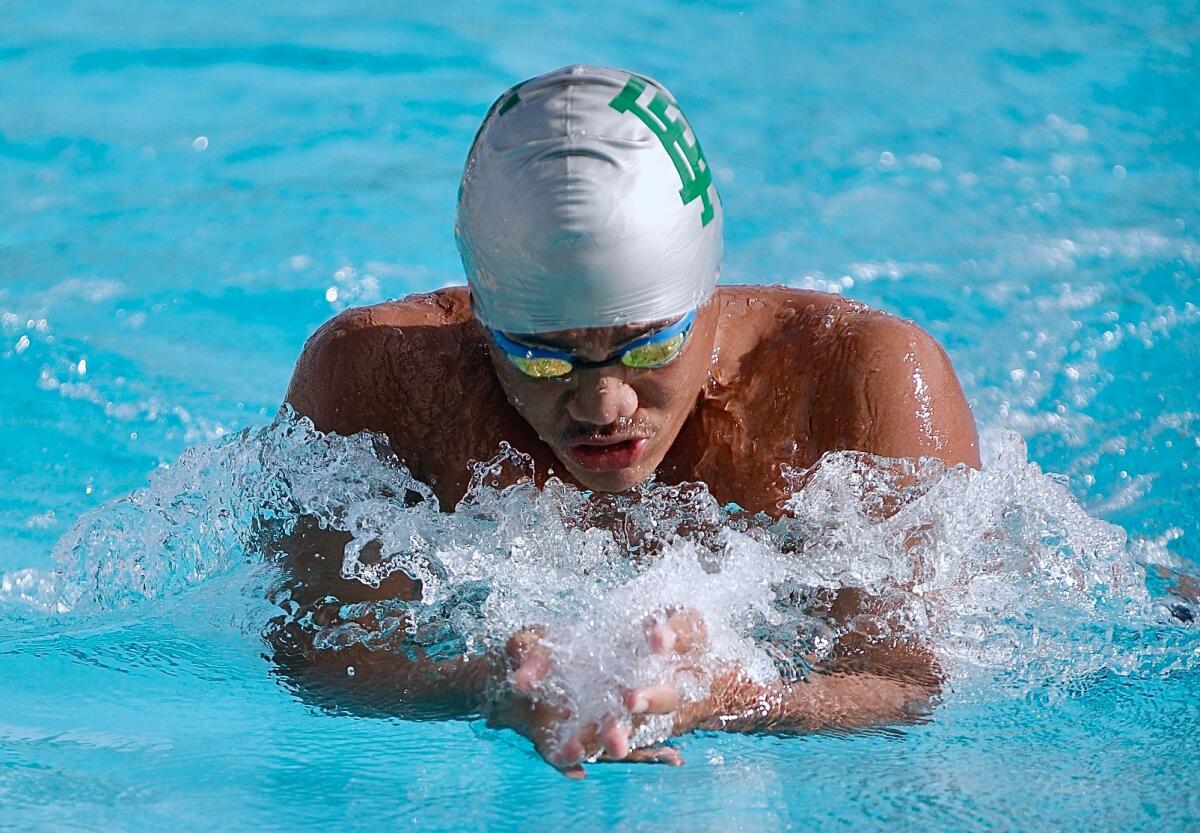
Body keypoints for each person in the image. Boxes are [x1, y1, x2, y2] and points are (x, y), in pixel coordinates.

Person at [275, 65, 980, 778]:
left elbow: (909, 679)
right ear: (483, 322)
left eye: (649, 346)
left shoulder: (864, 384)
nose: (604, 406)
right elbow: (316, 652)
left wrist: (739, 694)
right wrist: (485, 683)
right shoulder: (381, 383)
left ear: (706, 295)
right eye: (544, 358)